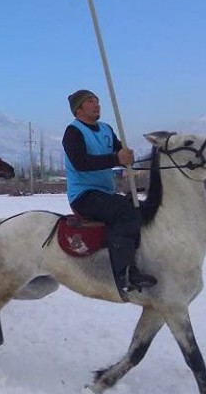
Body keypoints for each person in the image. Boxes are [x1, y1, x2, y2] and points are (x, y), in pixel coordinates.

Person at [62, 89, 156, 300]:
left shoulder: (106, 129)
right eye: (90, 101)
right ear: (78, 109)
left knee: (138, 207)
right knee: (124, 212)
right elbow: (81, 162)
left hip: (106, 192)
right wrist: (116, 159)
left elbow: (119, 153)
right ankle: (125, 274)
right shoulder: (73, 132)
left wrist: (127, 156)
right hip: (84, 195)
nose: (97, 104)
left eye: (97, 101)